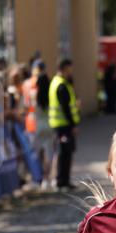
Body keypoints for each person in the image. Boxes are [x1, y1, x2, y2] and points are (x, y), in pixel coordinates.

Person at [48, 58, 80, 190]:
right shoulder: (61, 85)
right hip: (64, 125)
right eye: (70, 69)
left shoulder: (56, 82)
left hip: (60, 125)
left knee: (64, 152)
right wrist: (73, 125)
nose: (71, 72)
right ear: (65, 68)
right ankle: (62, 181)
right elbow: (65, 108)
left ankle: (64, 180)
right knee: (64, 153)